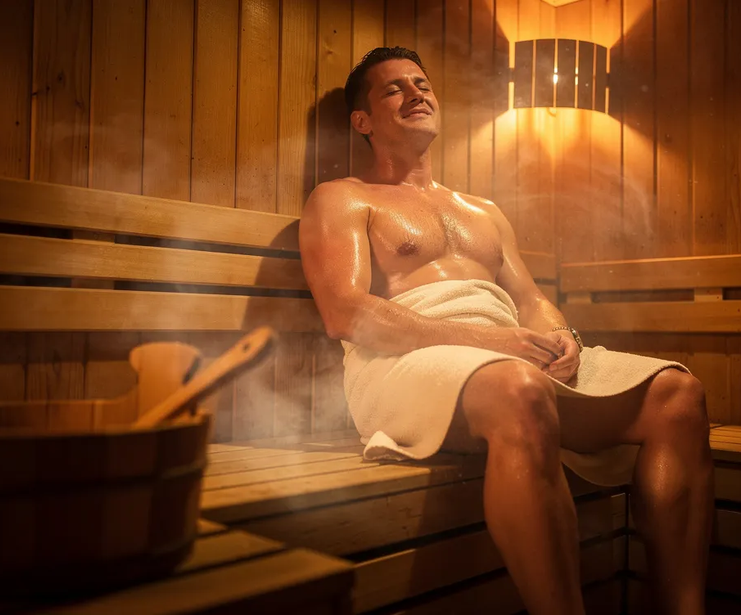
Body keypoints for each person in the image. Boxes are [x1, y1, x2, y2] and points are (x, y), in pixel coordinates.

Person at [298, 46, 714, 615]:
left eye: (422, 83)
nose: (417, 93)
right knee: (520, 389)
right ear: (362, 121)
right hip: (399, 365)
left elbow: (530, 300)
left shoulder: (482, 210)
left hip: (507, 358)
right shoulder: (344, 197)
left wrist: (561, 337)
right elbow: (347, 313)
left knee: (676, 395)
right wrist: (496, 344)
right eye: (394, 88)